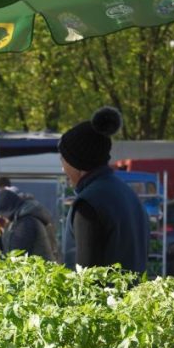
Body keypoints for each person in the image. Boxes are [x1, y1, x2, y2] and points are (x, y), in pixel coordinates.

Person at [58, 107, 149, 272]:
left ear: (78, 163)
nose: (63, 168)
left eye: (63, 159)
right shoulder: (127, 193)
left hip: (106, 297)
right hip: (133, 295)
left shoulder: (89, 204)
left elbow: (87, 277)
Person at [0, 187, 60, 262]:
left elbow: (16, 255)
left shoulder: (25, 224)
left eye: (0, 220)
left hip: (37, 272)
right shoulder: (21, 220)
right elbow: (9, 243)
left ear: (7, 212)